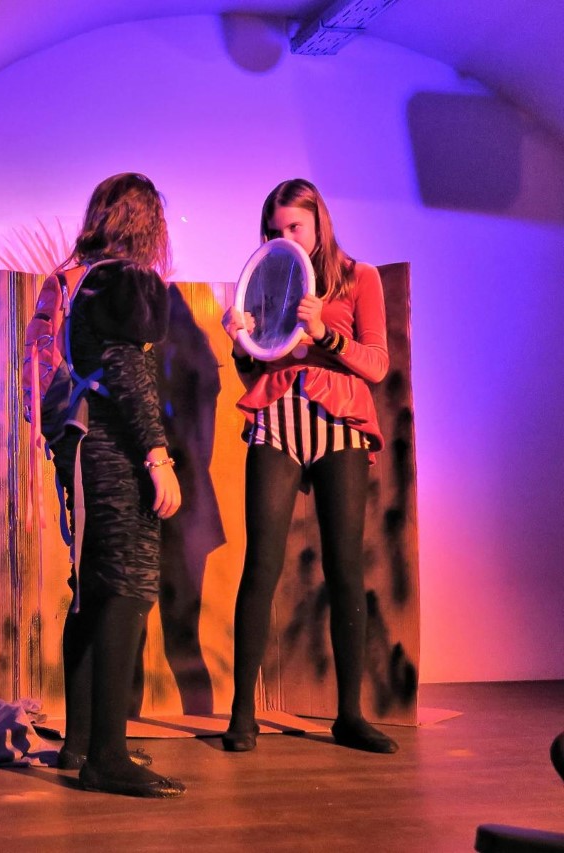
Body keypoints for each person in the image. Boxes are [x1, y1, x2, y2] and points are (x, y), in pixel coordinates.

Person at [221, 178, 397, 754]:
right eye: (276, 230)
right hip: (277, 417)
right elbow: (256, 368)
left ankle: (350, 715)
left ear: (319, 220)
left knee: (345, 568)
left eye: (295, 226)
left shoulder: (359, 277)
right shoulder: (269, 278)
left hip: (340, 423)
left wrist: (325, 333)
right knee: (261, 564)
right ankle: (242, 714)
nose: (286, 238)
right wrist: (241, 342)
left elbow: (377, 364)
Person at [50, 173, 186, 797]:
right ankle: (107, 755)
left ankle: (80, 744)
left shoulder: (82, 279)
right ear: (147, 223)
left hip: (83, 447)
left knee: (95, 591)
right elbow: (127, 374)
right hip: (114, 450)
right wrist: (157, 455)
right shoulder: (126, 280)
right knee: (128, 587)